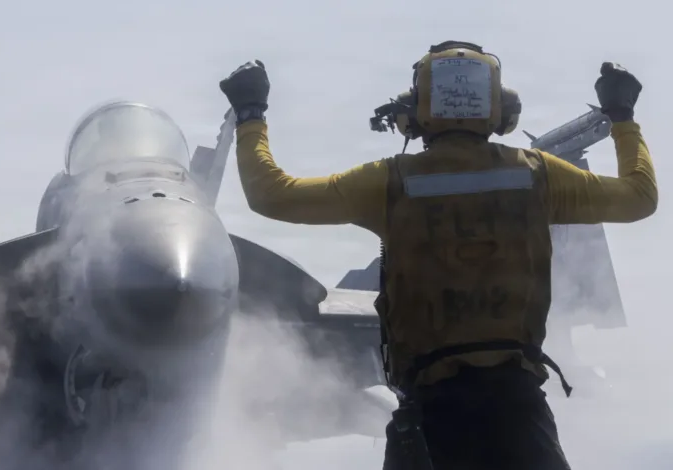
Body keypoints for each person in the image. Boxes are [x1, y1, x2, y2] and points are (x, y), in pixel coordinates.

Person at [219, 41, 656, 469]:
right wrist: (622, 117)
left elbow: (272, 195)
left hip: (431, 416)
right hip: (519, 414)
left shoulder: (387, 183)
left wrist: (250, 114)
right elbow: (639, 197)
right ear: (502, 113)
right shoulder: (538, 175)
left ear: (413, 114)